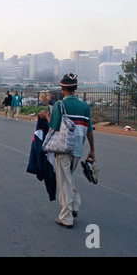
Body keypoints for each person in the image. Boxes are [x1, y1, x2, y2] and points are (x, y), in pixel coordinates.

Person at [39, 73, 95, 229]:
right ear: (76, 88)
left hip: (63, 149)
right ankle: (75, 205)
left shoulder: (60, 105)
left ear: (62, 88)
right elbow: (89, 130)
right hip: (78, 149)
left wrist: (45, 117)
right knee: (68, 178)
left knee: (64, 183)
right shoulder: (84, 106)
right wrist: (92, 150)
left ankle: (66, 217)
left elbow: (54, 127)